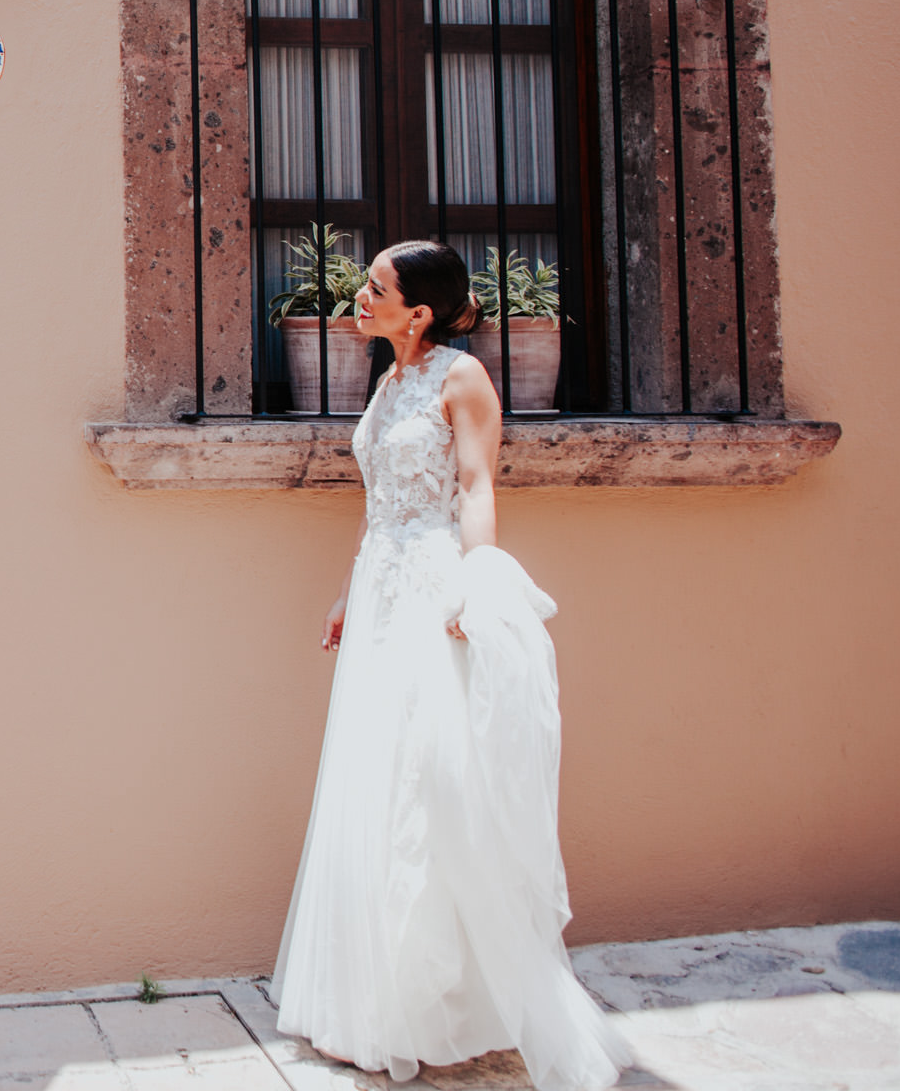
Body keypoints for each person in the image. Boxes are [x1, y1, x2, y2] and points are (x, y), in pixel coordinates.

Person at [271, 241, 633, 1091]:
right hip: (381, 591)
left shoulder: (461, 378)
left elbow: (474, 485)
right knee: (374, 775)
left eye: (374, 289)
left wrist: (475, 582)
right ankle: (374, 1003)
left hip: (434, 587)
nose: (357, 298)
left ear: (419, 311)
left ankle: (446, 1004)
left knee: (429, 786)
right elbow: (384, 499)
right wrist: (348, 591)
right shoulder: (391, 381)